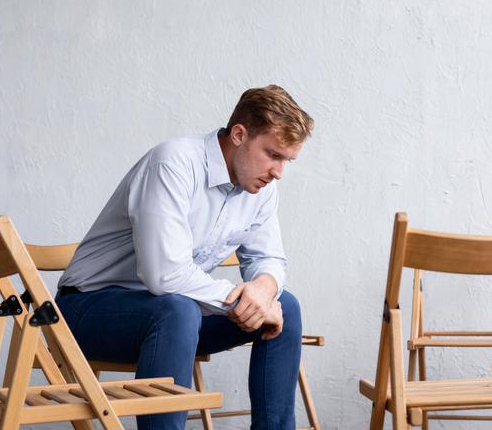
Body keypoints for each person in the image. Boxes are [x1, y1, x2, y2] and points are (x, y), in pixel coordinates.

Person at [56, 85, 314, 430]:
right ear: (240, 134)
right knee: (176, 308)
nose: (279, 171)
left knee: (286, 306)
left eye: (287, 160)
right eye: (273, 154)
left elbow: (268, 258)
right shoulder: (174, 162)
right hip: (87, 311)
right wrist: (245, 300)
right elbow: (164, 276)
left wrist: (265, 289)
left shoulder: (262, 189)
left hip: (176, 321)